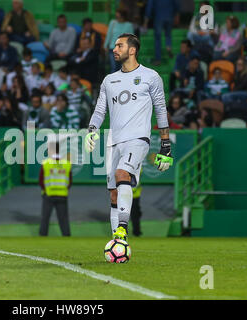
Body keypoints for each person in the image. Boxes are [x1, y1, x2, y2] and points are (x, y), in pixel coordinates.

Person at [85, 33, 172, 241]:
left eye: (119, 46)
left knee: (123, 174)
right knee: (114, 193)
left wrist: (165, 145)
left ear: (132, 50)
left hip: (138, 139)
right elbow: (99, 111)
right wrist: (91, 129)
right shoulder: (109, 80)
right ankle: (118, 242)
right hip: (113, 142)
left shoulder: (151, 77)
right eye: (115, 46)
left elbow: (160, 109)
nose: (114, 49)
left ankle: (123, 228)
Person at [39, 141, 72, 237]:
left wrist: (46, 190)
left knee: (45, 218)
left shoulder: (46, 163)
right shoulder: (66, 163)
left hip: (48, 195)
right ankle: (67, 238)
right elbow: (69, 181)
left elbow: (41, 181)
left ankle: (42, 237)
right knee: (64, 219)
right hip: (62, 195)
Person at [143, 0, 180, 65]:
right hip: (169, 17)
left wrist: (146, 21)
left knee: (158, 39)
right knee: (168, 35)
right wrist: (176, 15)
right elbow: (176, 4)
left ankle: (158, 59)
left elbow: (149, 7)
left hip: (158, 18)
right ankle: (168, 47)